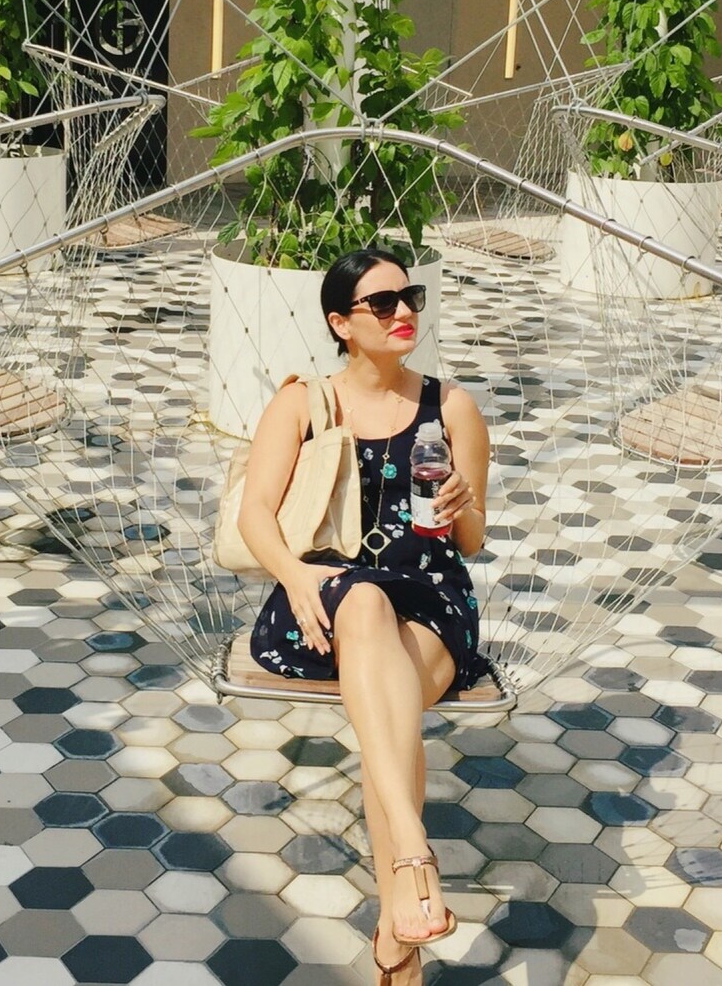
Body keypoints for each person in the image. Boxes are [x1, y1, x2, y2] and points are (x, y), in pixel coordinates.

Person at [238, 248, 490, 985]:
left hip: (432, 599)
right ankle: (410, 867)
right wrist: (294, 576)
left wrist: (463, 502)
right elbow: (255, 515)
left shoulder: (453, 406)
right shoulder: (302, 404)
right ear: (340, 324)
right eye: (382, 304)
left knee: (386, 693)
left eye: (409, 298)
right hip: (327, 595)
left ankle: (399, 906)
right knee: (366, 602)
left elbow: (472, 541)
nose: (404, 312)